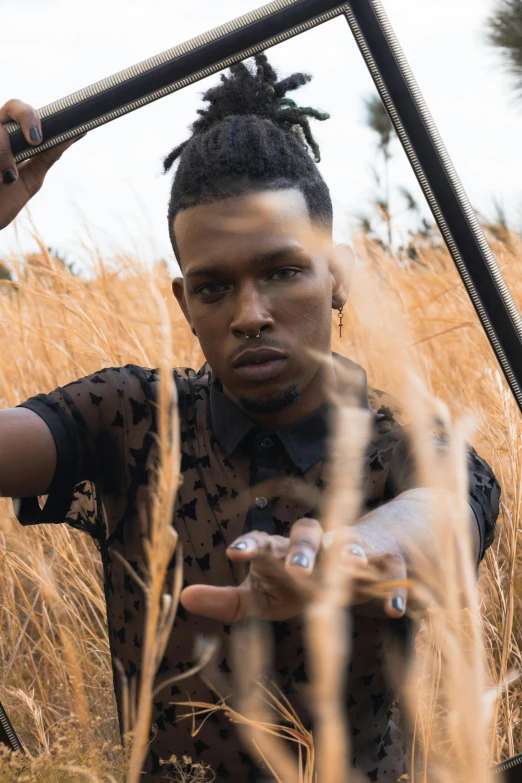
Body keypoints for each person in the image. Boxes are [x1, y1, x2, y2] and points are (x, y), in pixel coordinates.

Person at [0, 55, 500, 782]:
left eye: (282, 271)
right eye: (213, 287)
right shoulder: (133, 416)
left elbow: (442, 508)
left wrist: (351, 549)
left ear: (337, 274)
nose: (250, 314)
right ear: (182, 300)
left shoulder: (406, 437)